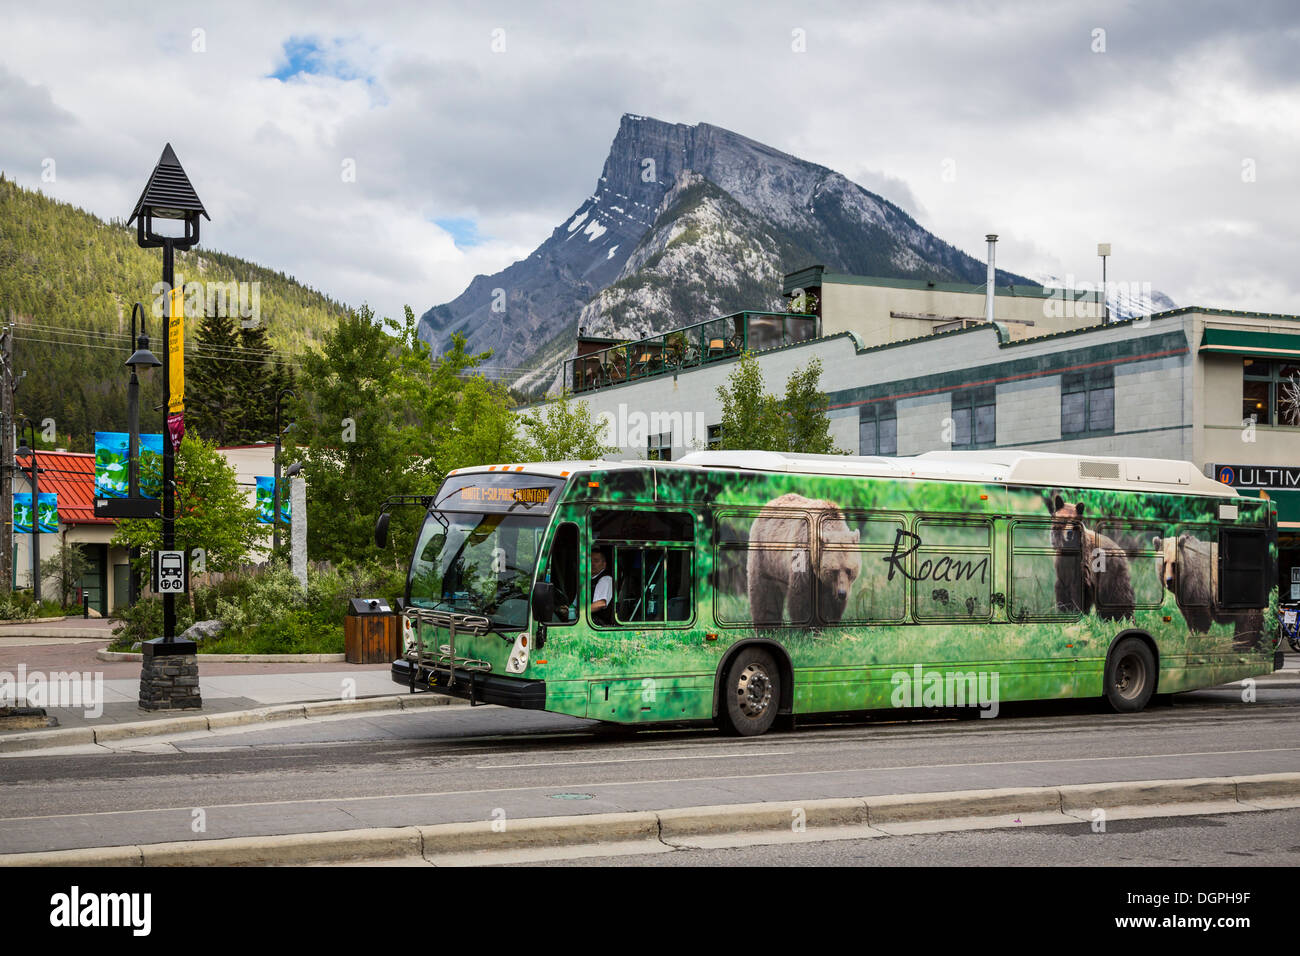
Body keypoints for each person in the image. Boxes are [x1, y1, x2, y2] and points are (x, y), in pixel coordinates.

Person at [590, 547, 614, 625]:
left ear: (604, 565)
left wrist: (580, 612)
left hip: (599, 626)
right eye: (590, 561)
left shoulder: (606, 579)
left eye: (596, 561)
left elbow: (600, 604)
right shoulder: (586, 581)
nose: (592, 564)